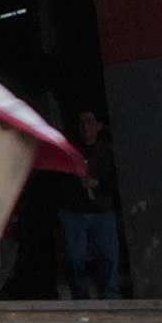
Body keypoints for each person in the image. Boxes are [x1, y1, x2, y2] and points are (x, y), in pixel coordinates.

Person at [54, 108, 124, 299]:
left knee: (108, 256)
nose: (86, 127)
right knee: (75, 257)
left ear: (99, 126)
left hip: (102, 210)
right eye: (82, 123)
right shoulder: (70, 151)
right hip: (74, 211)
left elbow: (119, 182)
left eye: (90, 122)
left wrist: (98, 183)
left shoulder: (108, 152)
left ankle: (110, 295)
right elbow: (58, 181)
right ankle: (80, 296)